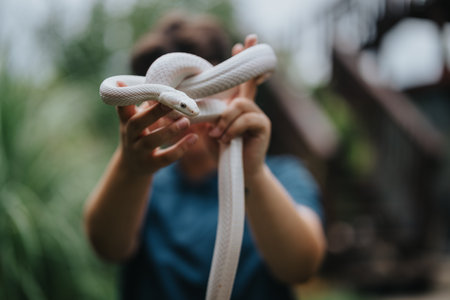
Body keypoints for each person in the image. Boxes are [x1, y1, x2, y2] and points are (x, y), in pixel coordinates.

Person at [84, 11, 326, 300]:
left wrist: (253, 173)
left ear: (232, 86)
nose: (194, 107)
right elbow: (106, 247)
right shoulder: (144, 185)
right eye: (183, 92)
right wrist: (131, 167)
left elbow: (301, 267)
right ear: (149, 103)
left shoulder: (282, 173)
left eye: (206, 88)